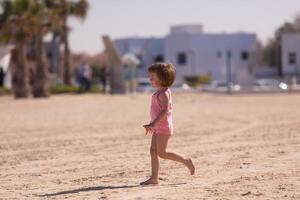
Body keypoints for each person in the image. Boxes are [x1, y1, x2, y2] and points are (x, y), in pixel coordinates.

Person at [140, 62, 195, 185]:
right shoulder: (159, 92)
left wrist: (153, 123)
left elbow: (165, 111)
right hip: (157, 126)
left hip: (163, 128)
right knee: (153, 151)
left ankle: (186, 161)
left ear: (162, 79)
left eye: (152, 77)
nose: (150, 79)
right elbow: (157, 111)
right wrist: (152, 123)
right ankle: (154, 178)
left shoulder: (164, 93)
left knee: (162, 153)